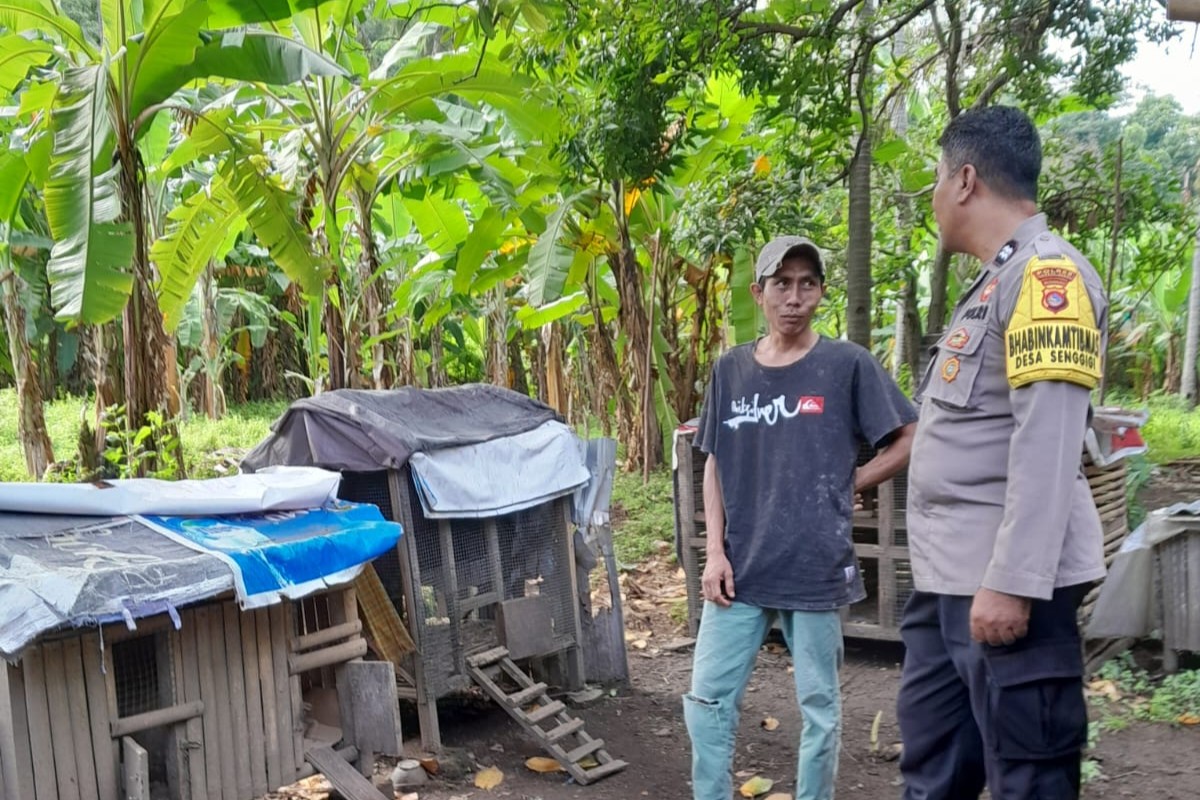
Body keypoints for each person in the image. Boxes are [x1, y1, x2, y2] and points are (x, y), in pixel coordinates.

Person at [898, 105, 1108, 800]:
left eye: (934, 178)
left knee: (1030, 781)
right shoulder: (993, 282)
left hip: (1006, 589)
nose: (932, 196)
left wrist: (1013, 582)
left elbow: (1046, 442)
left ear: (963, 180)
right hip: (949, 582)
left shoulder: (1049, 281)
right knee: (934, 774)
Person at [685, 236, 917, 800]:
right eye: (781, 284)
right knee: (707, 702)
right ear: (757, 293)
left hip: (815, 568)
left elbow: (911, 435)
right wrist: (714, 552)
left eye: (807, 283)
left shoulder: (846, 365)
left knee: (820, 712)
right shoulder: (731, 371)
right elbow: (714, 460)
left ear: (819, 293)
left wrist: (852, 482)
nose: (794, 297)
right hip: (740, 570)